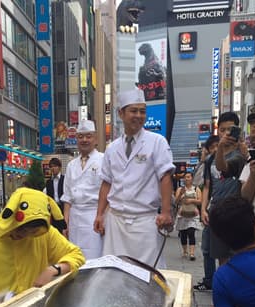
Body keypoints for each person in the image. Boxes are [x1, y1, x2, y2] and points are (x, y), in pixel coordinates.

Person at [94, 88, 174, 268]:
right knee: (113, 272)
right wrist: (99, 214)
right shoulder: (112, 148)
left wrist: (166, 212)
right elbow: (106, 183)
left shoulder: (157, 142)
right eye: (133, 111)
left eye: (142, 111)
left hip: (145, 222)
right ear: (121, 113)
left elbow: (166, 177)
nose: (139, 115)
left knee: (148, 274)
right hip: (115, 222)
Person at [194, 112, 247, 291]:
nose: (226, 133)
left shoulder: (242, 155)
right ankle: (223, 289)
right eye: (222, 130)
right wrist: (203, 209)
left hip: (237, 212)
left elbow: (227, 169)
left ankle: (235, 289)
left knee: (238, 254)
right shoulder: (210, 160)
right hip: (217, 210)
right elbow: (207, 186)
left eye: (230, 129)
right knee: (219, 254)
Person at [62, 120, 104, 259]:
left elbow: (109, 193)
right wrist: (65, 222)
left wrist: (103, 217)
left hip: (95, 215)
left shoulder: (103, 160)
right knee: (76, 257)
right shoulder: (71, 165)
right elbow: (67, 197)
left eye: (88, 136)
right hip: (75, 217)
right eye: (81, 137)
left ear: (95, 139)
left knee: (95, 258)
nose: (84, 140)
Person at [174, 171, 202, 260]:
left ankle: (192, 253)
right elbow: (176, 202)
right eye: (185, 177)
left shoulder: (196, 189)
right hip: (182, 214)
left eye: (189, 177)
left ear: (192, 178)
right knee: (183, 234)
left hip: (193, 213)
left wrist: (191, 201)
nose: (187, 179)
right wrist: (181, 194)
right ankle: (185, 251)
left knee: (191, 232)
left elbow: (200, 201)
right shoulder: (180, 189)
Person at [44, 157, 67, 233]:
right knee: (54, 230)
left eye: (55, 166)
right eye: (51, 167)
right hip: (53, 208)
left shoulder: (65, 179)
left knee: (63, 229)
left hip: (63, 207)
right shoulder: (49, 182)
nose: (52, 168)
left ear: (59, 167)